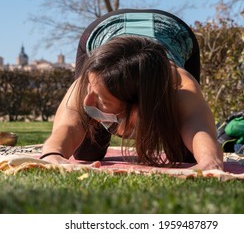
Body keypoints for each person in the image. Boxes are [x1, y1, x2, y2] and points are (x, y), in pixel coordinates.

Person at [40, 9, 224, 171]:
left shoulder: (180, 86)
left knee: (186, 155)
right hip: (104, 27)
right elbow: (68, 125)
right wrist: (52, 154)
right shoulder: (91, 80)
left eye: (102, 99)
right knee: (86, 152)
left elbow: (200, 128)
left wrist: (210, 162)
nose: (86, 102)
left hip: (174, 30)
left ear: (139, 103)